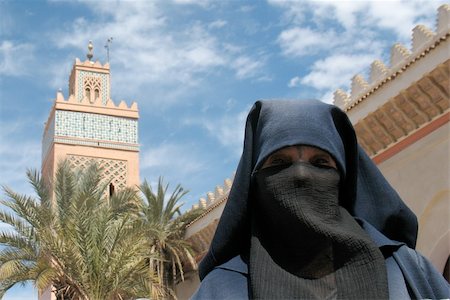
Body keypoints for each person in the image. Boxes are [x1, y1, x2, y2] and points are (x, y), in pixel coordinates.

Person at [192, 99, 449, 299]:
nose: (301, 174)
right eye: (279, 162)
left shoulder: (405, 268)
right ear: (256, 181)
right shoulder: (223, 288)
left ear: (342, 179)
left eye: (320, 162)